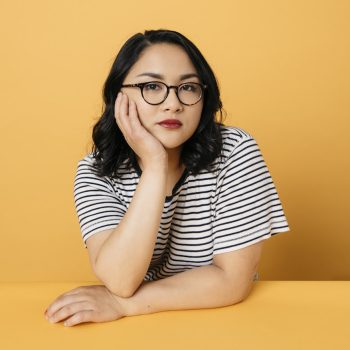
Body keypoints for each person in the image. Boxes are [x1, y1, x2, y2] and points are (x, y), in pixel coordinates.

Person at [44, 29, 290, 327]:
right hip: (145, 329)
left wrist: (121, 304)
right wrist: (155, 164)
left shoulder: (235, 151)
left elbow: (232, 281)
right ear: (119, 97)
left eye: (187, 87)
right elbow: (120, 278)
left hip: (223, 320)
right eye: (152, 86)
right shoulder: (95, 172)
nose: (173, 103)